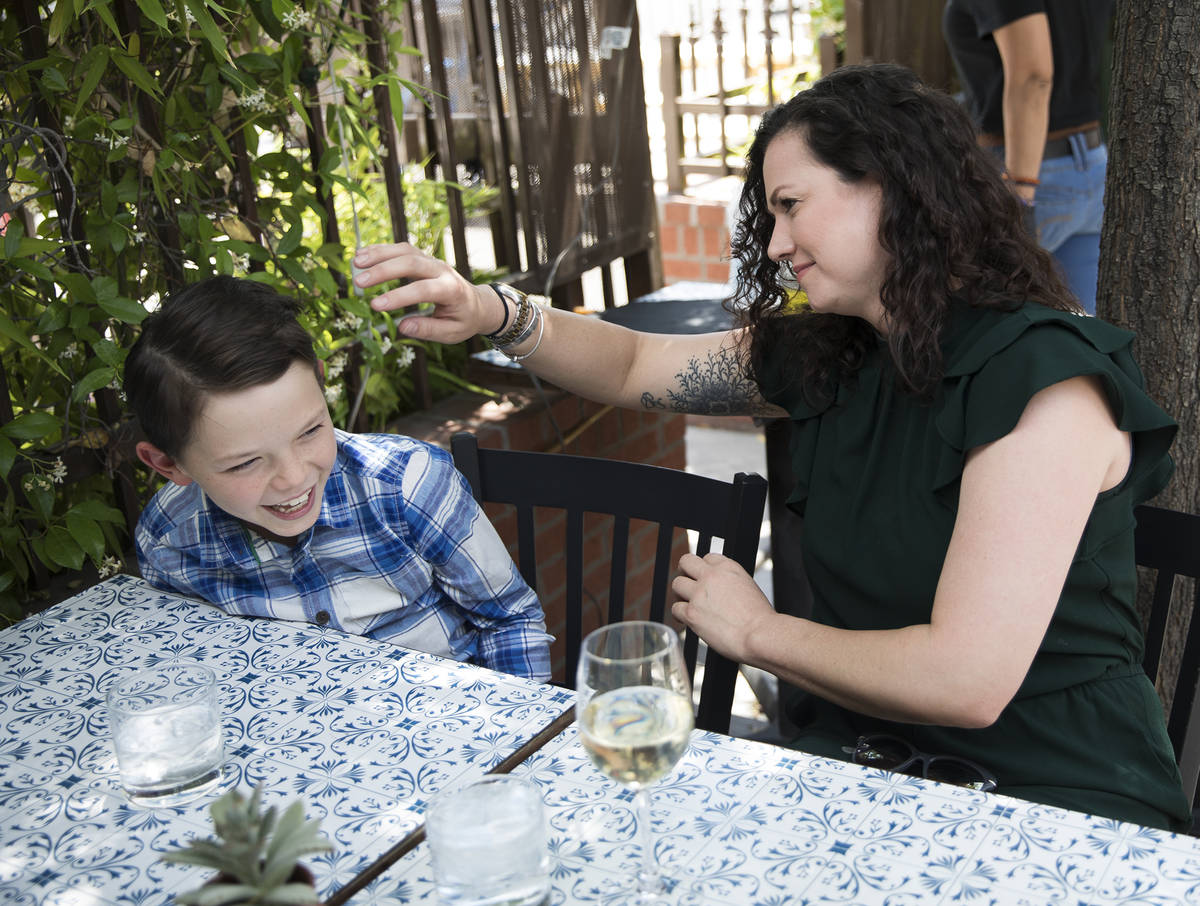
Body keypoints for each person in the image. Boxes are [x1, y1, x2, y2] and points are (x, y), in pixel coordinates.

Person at [350, 63, 1189, 831]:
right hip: (871, 765)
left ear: (893, 187)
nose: (778, 244)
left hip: (1059, 785)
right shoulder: (835, 353)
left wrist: (756, 632)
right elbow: (639, 361)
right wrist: (496, 313)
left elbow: (967, 680)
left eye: (791, 205)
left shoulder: (1044, 381)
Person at [124, 276, 551, 681]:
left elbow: (509, 621)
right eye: (245, 464)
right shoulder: (169, 540)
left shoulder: (408, 487)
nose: (293, 478)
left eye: (310, 432)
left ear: (321, 382)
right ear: (168, 465)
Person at [943, 0, 1113, 315]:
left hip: (1027, 174)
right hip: (1090, 164)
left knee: (988, 331)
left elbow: (1034, 75)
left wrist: (1020, 192)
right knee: (1083, 335)